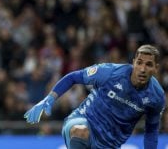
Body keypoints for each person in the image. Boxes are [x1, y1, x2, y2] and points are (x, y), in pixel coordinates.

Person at [24, 44, 166, 149]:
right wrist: (50, 98)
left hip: (109, 144)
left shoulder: (156, 97)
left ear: (156, 68)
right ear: (134, 61)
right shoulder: (110, 72)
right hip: (84, 120)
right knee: (80, 130)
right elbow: (73, 77)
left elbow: (151, 130)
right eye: (139, 62)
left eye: (148, 65)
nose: (142, 69)